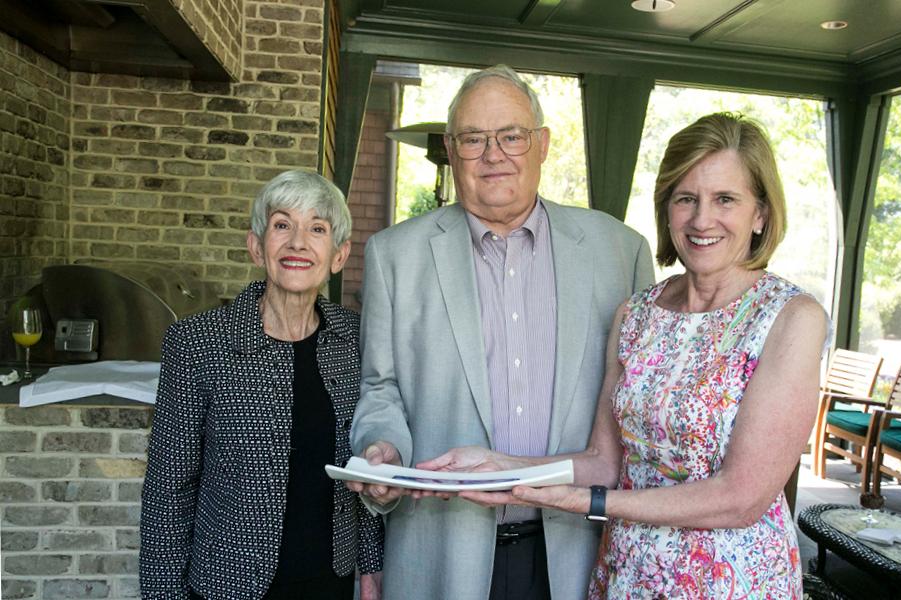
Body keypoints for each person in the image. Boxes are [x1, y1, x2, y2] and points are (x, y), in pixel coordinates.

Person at [419, 112, 830, 598]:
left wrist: (585, 502)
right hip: (628, 572)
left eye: (725, 200)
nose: (701, 220)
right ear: (666, 208)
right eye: (685, 199)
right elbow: (604, 461)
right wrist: (502, 465)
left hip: (731, 580)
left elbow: (740, 498)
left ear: (760, 213)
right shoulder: (637, 313)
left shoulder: (791, 317)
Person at [348, 65, 655, 600]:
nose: (494, 154)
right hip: (442, 552)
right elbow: (381, 387)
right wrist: (384, 450)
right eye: (473, 139)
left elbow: (637, 411)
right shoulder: (395, 255)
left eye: (511, 136)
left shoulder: (620, 253)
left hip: (574, 552)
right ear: (450, 147)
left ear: (541, 144)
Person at [140, 170, 384, 600]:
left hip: (328, 584)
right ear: (257, 246)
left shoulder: (356, 341)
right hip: (226, 585)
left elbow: (364, 464)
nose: (298, 243)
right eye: (282, 225)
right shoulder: (198, 343)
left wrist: (371, 568)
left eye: (318, 229)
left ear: (340, 255)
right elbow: (168, 488)